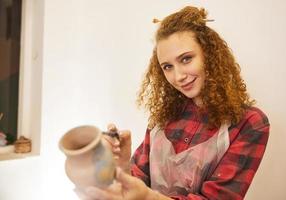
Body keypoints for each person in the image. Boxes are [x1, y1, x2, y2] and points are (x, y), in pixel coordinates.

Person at [78, 6, 270, 200]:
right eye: (168, 67)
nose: (178, 77)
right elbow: (133, 190)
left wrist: (148, 197)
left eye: (186, 59)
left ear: (209, 55)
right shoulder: (164, 117)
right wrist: (122, 166)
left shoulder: (250, 123)